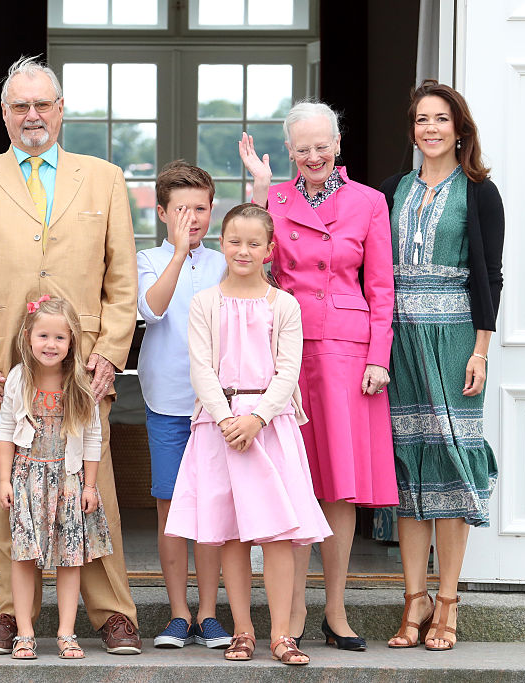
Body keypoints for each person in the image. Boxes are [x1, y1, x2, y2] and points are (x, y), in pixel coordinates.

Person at [0, 56, 141, 654]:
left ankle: (112, 613)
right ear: (4, 114)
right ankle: (11, 611)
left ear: (60, 110)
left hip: (84, 363)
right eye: (20, 105)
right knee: (12, 486)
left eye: (42, 104)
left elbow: (122, 278)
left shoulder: (103, 178)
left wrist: (111, 352)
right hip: (2, 362)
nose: (32, 115)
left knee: (92, 484)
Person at [239, 100, 397, 651]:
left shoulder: (369, 201)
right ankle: (293, 608)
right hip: (283, 348)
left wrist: (379, 356)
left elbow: (381, 286)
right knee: (292, 478)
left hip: (346, 353)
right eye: (302, 148)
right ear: (288, 150)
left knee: (340, 485)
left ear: (338, 144)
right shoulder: (276, 199)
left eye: (321, 146)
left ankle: (336, 607)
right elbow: (250, 263)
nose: (313, 156)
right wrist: (260, 190)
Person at [165, 203, 332, 666]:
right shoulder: (205, 303)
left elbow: (288, 370)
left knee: (277, 533)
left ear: (269, 249)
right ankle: (242, 630)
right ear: (221, 244)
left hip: (270, 426)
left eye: (254, 243)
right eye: (235, 241)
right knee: (231, 534)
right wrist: (225, 419)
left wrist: (257, 419)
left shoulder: (284, 305)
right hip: (218, 427)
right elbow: (200, 368)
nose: (243, 250)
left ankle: (281, 635)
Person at [380, 80, 503, 652]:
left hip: (454, 341)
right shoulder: (393, 190)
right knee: (409, 467)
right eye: (421, 120)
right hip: (400, 341)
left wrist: (480, 351)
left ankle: (448, 600)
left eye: (441, 119)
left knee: (451, 465)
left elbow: (490, 276)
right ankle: (414, 599)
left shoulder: (480, 192)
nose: (430, 128)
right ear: (413, 131)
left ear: (459, 130)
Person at [136, 161, 230, 650]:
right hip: (168, 400)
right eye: (180, 210)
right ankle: (178, 613)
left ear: (212, 211)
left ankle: (209, 613)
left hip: (217, 405)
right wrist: (177, 253)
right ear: (162, 213)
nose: (191, 218)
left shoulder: (223, 262)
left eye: (200, 209)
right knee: (171, 506)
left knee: (212, 506)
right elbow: (151, 309)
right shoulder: (148, 259)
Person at [0, 297, 114, 660]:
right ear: (28, 337)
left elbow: (92, 437)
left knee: (69, 557)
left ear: (72, 341)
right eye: (43, 336)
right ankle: (25, 633)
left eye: (60, 337)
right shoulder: (19, 378)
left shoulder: (79, 382)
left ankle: (66, 633)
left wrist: (89, 485)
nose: (51, 344)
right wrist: (4, 480)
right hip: (27, 477)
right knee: (23, 556)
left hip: (68, 480)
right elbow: (5, 430)